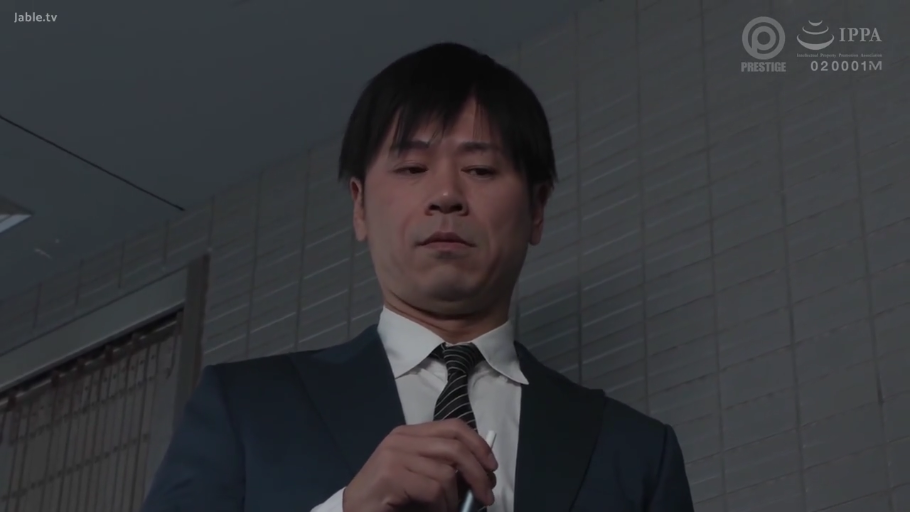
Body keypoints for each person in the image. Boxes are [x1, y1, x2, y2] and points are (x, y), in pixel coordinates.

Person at [141, 42, 694, 512]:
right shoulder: (244, 408)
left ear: (537, 209)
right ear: (360, 206)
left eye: (480, 169)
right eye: (411, 168)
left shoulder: (636, 452)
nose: (447, 194)